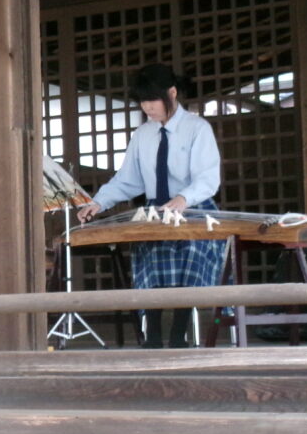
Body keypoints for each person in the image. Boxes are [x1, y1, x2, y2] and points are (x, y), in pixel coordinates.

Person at [77, 63, 225, 348]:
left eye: (153, 99)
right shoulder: (142, 135)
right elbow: (128, 180)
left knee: (190, 255)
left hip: (194, 209)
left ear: (172, 93)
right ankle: (153, 336)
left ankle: (178, 335)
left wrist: (183, 198)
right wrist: (98, 202)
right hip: (156, 210)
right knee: (150, 256)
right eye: (142, 101)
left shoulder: (197, 128)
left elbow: (208, 178)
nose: (147, 107)